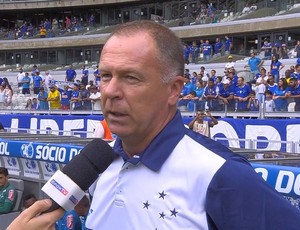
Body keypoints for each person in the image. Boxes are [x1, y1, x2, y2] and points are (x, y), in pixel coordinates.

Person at [8, 20, 300, 230]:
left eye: (131, 78)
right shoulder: (97, 162)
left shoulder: (221, 175)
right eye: (105, 75)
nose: (110, 91)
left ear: (174, 89)